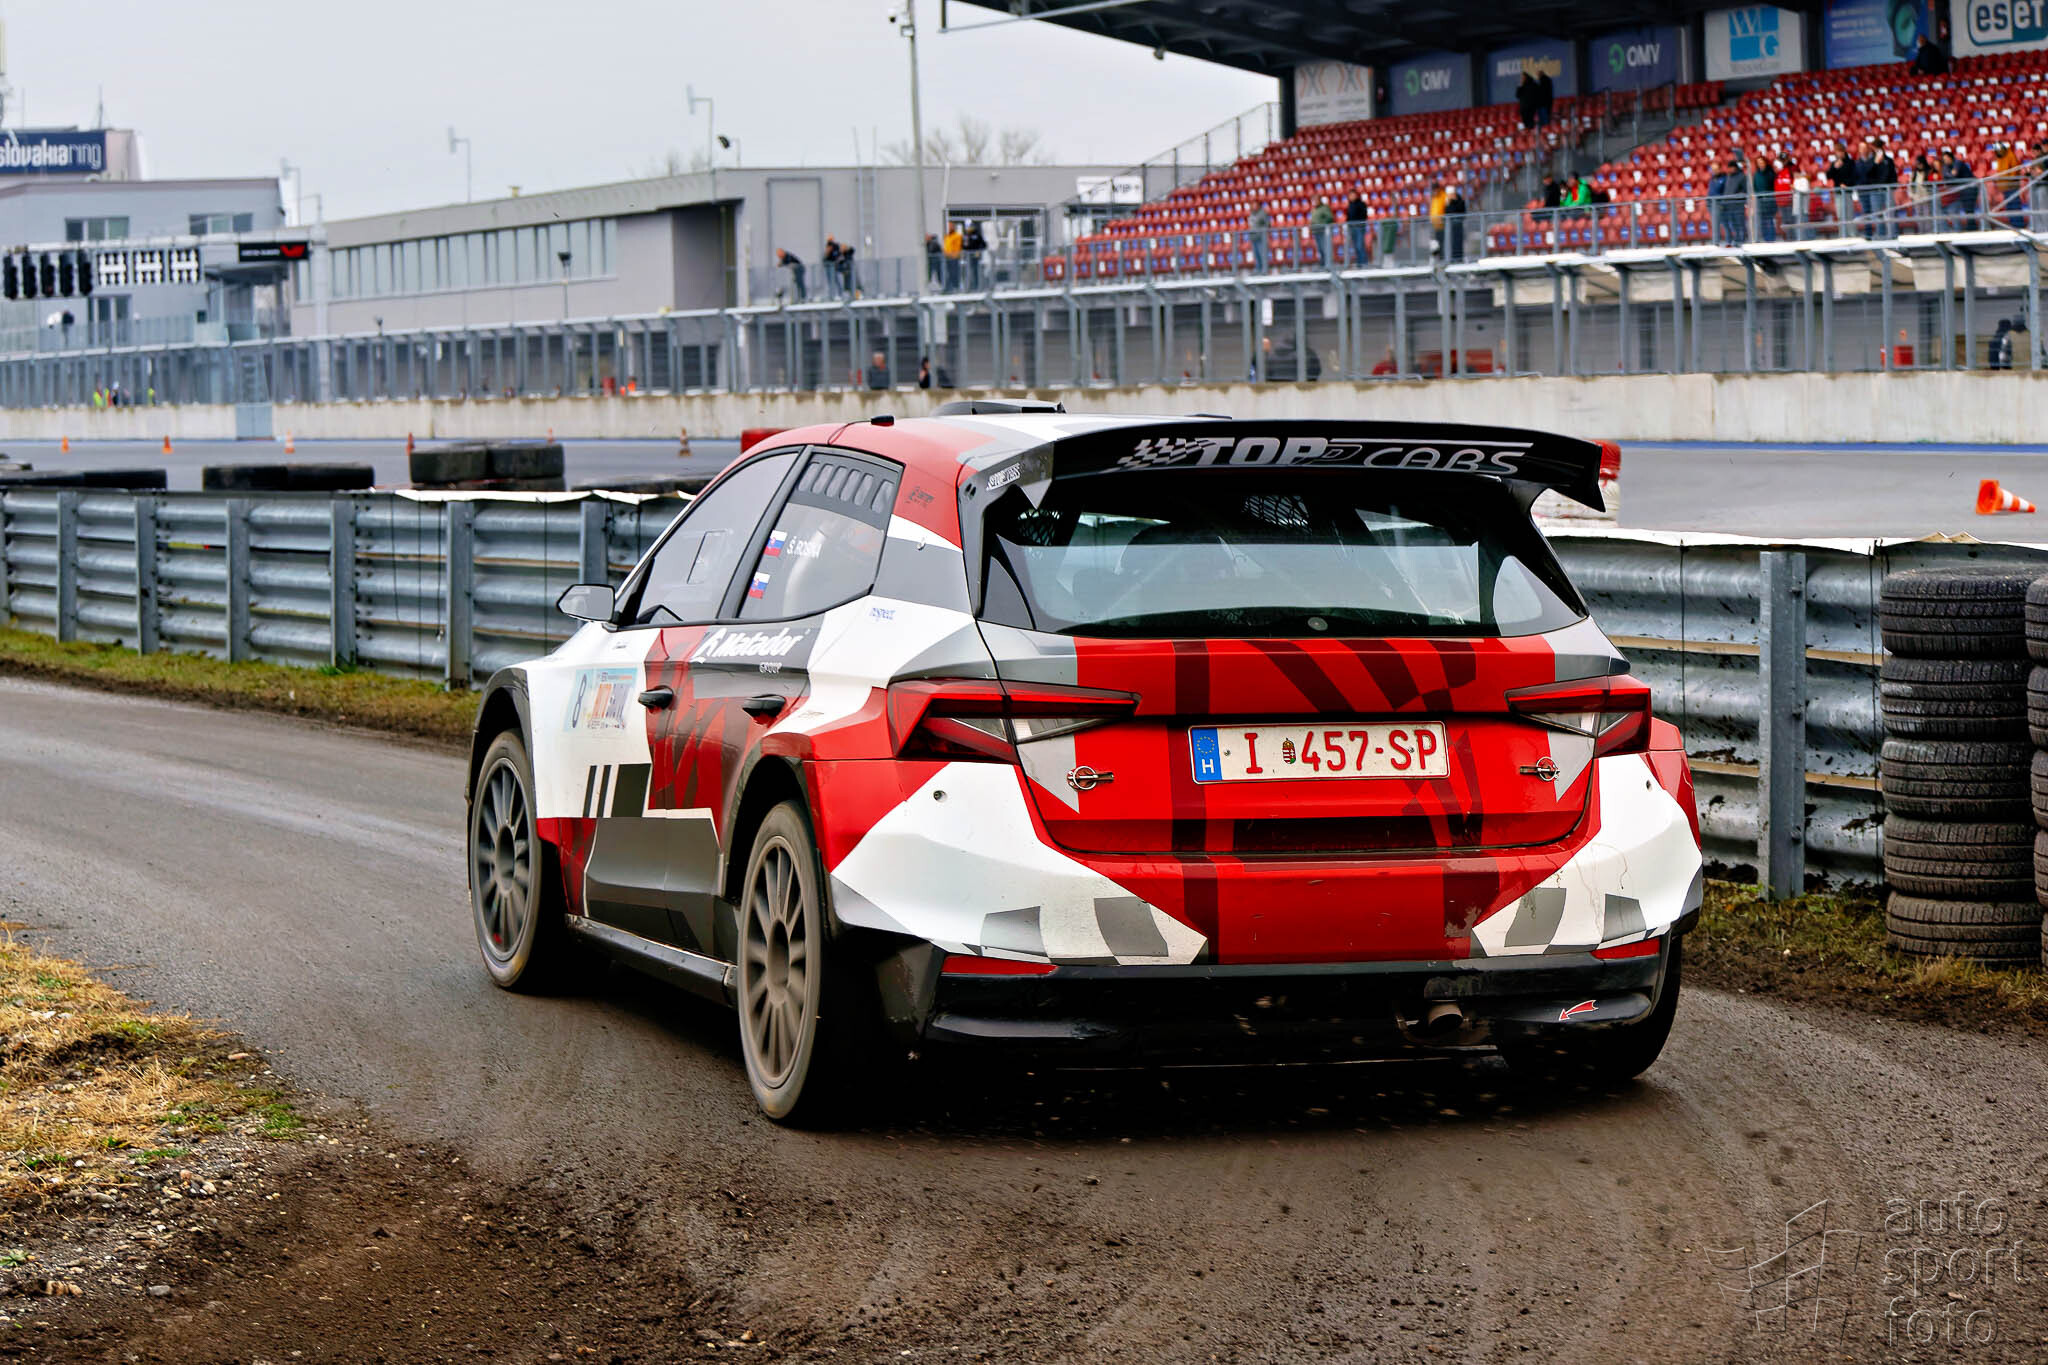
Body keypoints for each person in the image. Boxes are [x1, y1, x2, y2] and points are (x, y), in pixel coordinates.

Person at [1753, 154, 1779, 242]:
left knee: (1770, 219)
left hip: (1770, 200)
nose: (1760, 164)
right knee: (1762, 220)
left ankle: (1771, 238)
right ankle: (1765, 238)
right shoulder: (1756, 174)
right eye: (1758, 163)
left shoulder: (1770, 173)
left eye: (1762, 162)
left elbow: (1773, 185)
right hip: (1760, 201)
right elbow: (1755, 187)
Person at [1343, 184, 1370, 266]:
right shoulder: (1350, 205)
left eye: (1353, 195)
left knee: (1360, 245)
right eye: (1350, 195)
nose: (1351, 197)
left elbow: (1364, 216)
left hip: (1359, 227)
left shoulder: (1361, 204)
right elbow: (1349, 216)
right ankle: (1359, 263)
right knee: (1356, 246)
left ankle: (1364, 263)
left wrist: (1357, 222)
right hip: (1352, 228)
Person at [1443, 183, 1467, 262]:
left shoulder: (1459, 201)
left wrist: (1452, 202)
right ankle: (1453, 258)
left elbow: (1460, 211)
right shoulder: (1448, 201)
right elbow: (1447, 212)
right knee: (1451, 242)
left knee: (1458, 242)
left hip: (1458, 225)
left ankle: (1458, 258)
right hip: (1451, 226)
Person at [1308, 198, 1335, 265]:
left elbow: (1330, 217)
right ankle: (1323, 264)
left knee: (1325, 248)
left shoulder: (1324, 208)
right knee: (1320, 249)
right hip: (1316, 231)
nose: (1315, 202)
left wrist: (1321, 224)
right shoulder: (1314, 209)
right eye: (1314, 201)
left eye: (1316, 200)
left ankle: (1328, 264)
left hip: (1323, 231)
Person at [1247, 201, 1272, 272]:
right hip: (1253, 237)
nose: (1254, 207)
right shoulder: (1251, 214)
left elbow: (1268, 224)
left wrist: (1262, 231)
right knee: (1256, 254)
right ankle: (1258, 268)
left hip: (1261, 237)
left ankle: (1265, 269)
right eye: (1253, 205)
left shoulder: (1263, 213)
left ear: (1259, 206)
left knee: (1262, 253)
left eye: (1255, 205)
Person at [963, 220, 987, 291]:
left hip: (975, 257)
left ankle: (977, 286)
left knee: (976, 271)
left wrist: (978, 251)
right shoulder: (966, 236)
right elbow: (964, 246)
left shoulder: (977, 235)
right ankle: (969, 286)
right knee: (968, 271)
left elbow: (983, 245)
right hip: (968, 258)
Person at [941, 222, 964, 292]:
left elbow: (958, 247)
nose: (949, 228)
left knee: (954, 273)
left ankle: (955, 287)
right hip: (947, 258)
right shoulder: (947, 236)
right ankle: (948, 287)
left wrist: (954, 254)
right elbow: (945, 246)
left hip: (954, 258)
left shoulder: (957, 236)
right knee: (948, 273)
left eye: (951, 226)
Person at [1426, 181, 1447, 256]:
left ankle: (1443, 257)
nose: (1434, 191)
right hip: (1435, 225)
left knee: (1442, 242)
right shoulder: (1434, 198)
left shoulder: (1444, 195)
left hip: (1442, 224)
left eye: (1435, 189)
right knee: (1436, 243)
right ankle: (1439, 257)